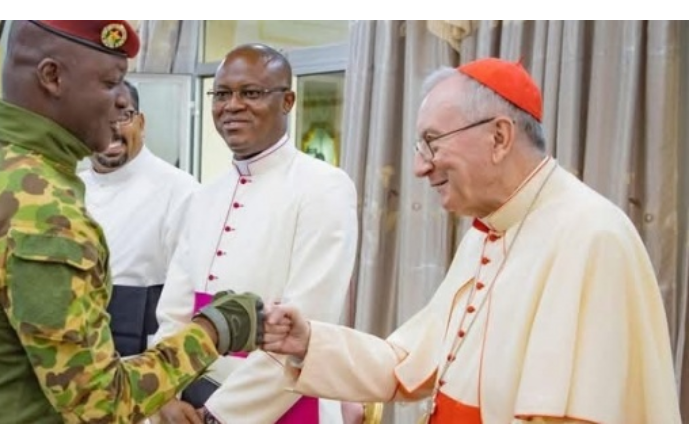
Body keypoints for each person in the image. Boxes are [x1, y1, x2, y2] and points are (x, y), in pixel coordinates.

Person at [262, 57, 682, 424]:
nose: (418, 168)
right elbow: (409, 363)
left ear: (499, 138)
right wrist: (309, 341)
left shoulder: (593, 236)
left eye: (431, 142)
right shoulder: (487, 232)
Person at [0, 20, 263, 424]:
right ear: (52, 77)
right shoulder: (40, 206)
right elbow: (100, 404)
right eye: (110, 84)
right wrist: (215, 330)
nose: (119, 105)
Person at [152, 43, 358, 424]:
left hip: (284, 404)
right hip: (190, 402)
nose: (232, 105)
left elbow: (305, 325)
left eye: (251, 93)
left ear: (287, 101)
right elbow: (175, 312)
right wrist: (164, 394)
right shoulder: (204, 196)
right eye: (223, 94)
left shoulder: (324, 188)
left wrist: (219, 416)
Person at [79, 80, 199, 357]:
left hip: (139, 355)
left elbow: (185, 300)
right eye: (96, 117)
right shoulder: (67, 187)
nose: (111, 128)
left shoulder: (180, 190)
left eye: (123, 115)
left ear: (141, 122)